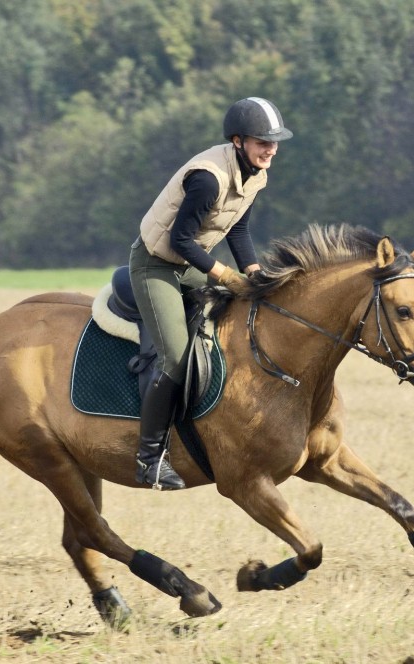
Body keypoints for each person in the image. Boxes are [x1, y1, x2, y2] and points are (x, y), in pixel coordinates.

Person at [129, 97, 293, 490]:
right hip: (156, 266)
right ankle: (149, 458)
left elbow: (237, 228)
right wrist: (226, 276)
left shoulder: (255, 173)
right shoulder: (208, 178)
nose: (270, 149)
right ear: (238, 141)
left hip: (188, 266)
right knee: (176, 358)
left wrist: (253, 275)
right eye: (261, 142)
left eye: (274, 142)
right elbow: (180, 240)